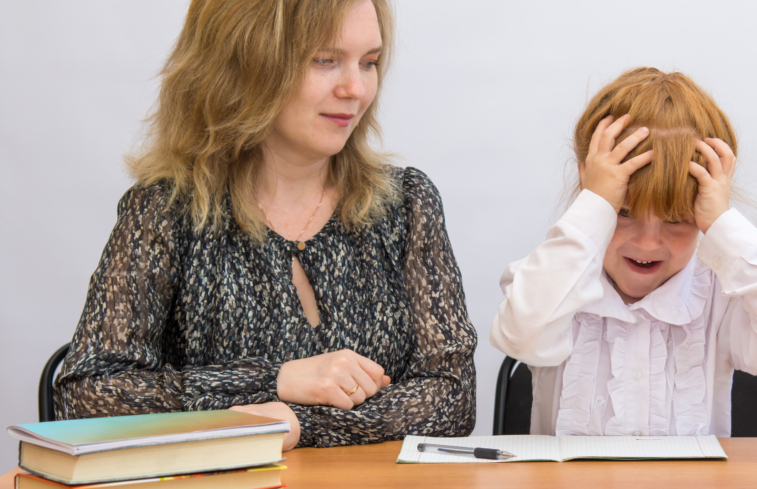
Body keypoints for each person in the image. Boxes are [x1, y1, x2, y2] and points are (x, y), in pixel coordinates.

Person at [54, 0, 477, 450]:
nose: (355, 88)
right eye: (325, 60)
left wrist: (298, 423)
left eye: (369, 63)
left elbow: (452, 396)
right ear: (246, 61)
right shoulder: (165, 210)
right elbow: (86, 397)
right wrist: (272, 380)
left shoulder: (407, 203)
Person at [489, 67, 757, 437]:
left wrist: (722, 223)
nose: (648, 243)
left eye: (676, 220)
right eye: (622, 213)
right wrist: (594, 205)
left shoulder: (721, 296)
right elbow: (520, 334)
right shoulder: (552, 280)